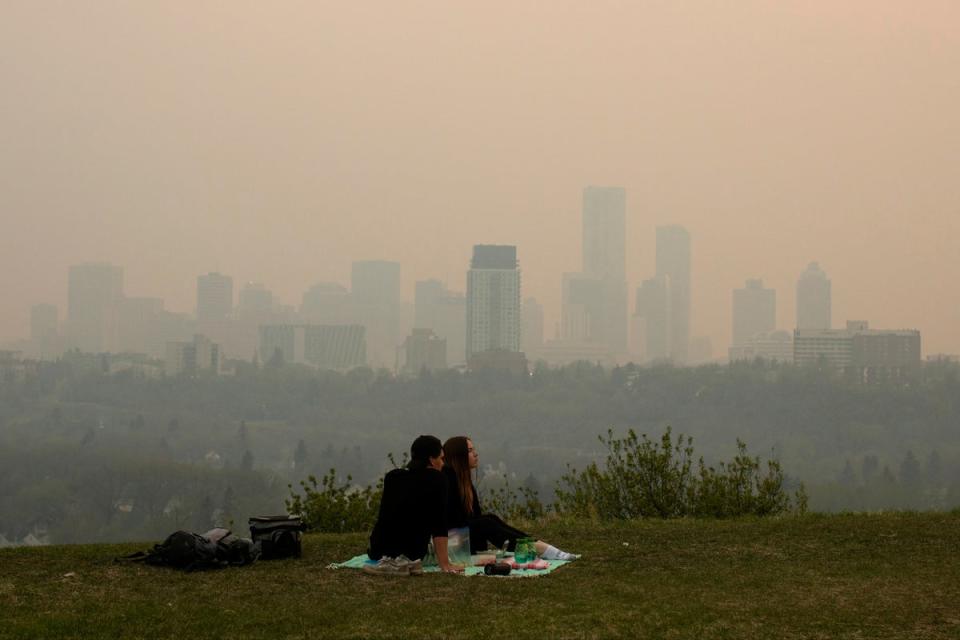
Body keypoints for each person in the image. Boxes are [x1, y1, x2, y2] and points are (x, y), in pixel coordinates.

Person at [442, 435, 579, 561]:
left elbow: (474, 517)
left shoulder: (464, 481)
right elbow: (454, 522)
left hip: (464, 538)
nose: (475, 454)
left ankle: (536, 545)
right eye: (470, 450)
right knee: (487, 522)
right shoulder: (448, 479)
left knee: (490, 518)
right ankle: (539, 549)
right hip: (453, 542)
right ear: (458, 456)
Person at [367, 435, 462, 574]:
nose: (443, 463)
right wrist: (445, 563)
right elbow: (439, 522)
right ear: (431, 459)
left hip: (378, 548)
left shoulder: (393, 477)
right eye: (441, 459)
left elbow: (384, 517)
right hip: (411, 552)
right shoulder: (437, 479)